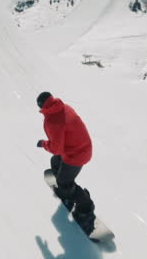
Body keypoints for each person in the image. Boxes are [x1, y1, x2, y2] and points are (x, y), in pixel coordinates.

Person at [36, 91, 97, 234]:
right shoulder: (63, 107)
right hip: (80, 147)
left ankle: (85, 208)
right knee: (55, 161)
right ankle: (66, 191)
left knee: (64, 182)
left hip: (76, 155)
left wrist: (44, 144)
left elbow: (56, 148)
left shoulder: (52, 121)